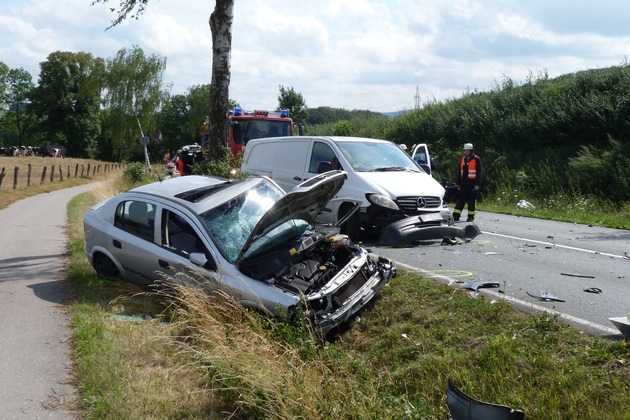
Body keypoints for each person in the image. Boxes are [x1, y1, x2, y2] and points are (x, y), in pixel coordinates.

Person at [453, 143, 482, 222]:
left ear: (471, 151)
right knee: (460, 200)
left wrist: (477, 184)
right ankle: (455, 216)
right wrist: (458, 183)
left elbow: (479, 173)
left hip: (472, 184)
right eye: (465, 150)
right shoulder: (463, 159)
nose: (466, 152)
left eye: (467, 150)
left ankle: (471, 217)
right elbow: (460, 172)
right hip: (464, 184)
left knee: (471, 201)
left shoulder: (476, 159)